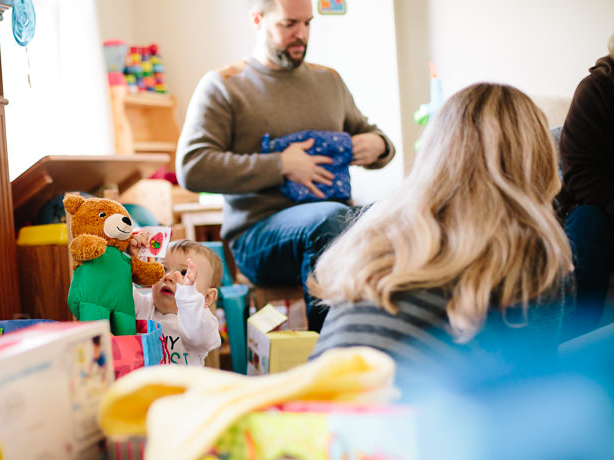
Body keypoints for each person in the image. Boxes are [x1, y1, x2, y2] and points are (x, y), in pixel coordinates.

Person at [307, 82, 574, 366]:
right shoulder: (531, 249)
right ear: (539, 158)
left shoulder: (379, 225)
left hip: (316, 400)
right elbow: (535, 380)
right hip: (406, 406)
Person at [175, 0, 395, 332]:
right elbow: (192, 167)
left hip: (333, 222)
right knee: (330, 222)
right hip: (259, 238)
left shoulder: (329, 82)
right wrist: (281, 165)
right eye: (289, 24)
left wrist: (380, 146)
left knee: (406, 214)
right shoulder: (224, 85)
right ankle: (331, 356)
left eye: (308, 24)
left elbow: (370, 133)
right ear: (257, 20)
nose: (301, 35)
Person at [554, 33, 614, 340]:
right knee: (589, 224)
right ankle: (573, 339)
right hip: (595, 204)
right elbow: (581, 174)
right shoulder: (597, 90)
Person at [128, 238, 223, 366]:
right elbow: (121, 292)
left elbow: (199, 334)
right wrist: (129, 259)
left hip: (185, 386)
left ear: (207, 298)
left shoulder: (202, 322)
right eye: (164, 268)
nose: (168, 277)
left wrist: (188, 296)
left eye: (184, 273)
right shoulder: (144, 306)